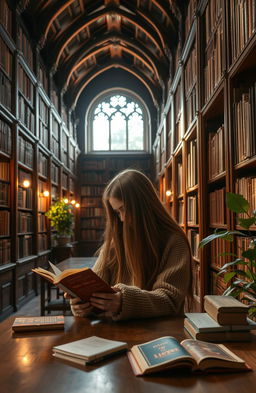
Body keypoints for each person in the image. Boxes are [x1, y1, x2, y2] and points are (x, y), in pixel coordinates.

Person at [67, 169, 193, 321]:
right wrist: (82, 306)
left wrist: (124, 301)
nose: (122, 219)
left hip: (161, 334)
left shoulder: (174, 241)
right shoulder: (115, 243)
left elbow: (169, 299)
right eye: (117, 212)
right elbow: (96, 286)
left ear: (144, 205)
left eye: (124, 209)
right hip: (115, 335)